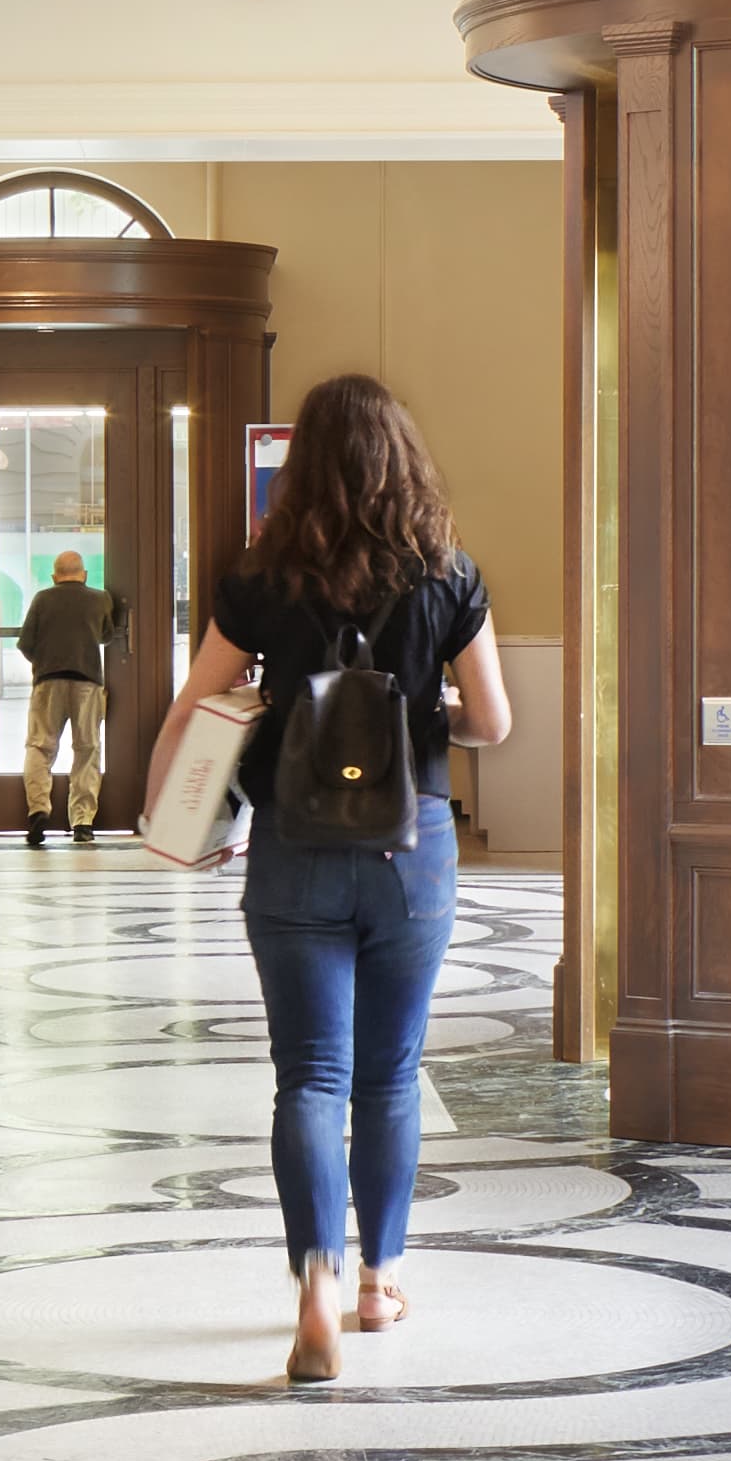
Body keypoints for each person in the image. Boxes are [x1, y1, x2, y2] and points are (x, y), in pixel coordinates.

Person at [147, 374, 516, 1387]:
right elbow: (493, 724)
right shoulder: (448, 572)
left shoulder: (262, 577)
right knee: (390, 1074)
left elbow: (192, 710)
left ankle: (316, 1284)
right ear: (405, 460)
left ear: (300, 465)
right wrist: (424, 705)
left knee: (309, 1075)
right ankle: (380, 1284)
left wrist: (177, 819)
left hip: (294, 848)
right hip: (412, 850)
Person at [11, 548, 122, 848]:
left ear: (54, 576)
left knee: (40, 746)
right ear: (84, 575)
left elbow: (26, 643)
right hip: (87, 682)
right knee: (87, 749)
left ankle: (38, 810)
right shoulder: (100, 599)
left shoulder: (42, 599)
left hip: (48, 680)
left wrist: (44, 661)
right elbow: (106, 636)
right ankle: (83, 823)